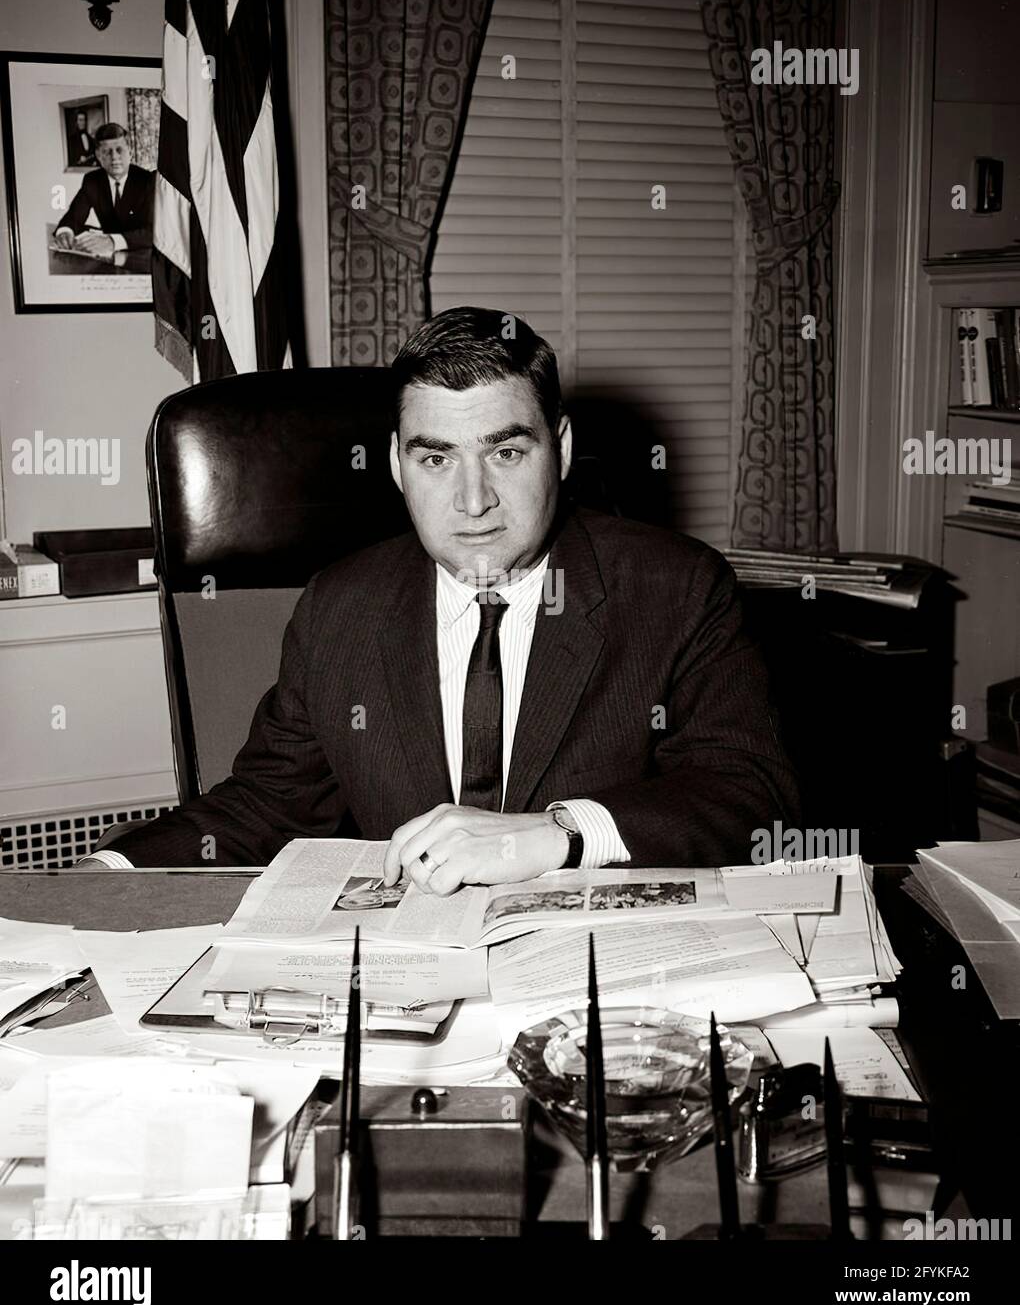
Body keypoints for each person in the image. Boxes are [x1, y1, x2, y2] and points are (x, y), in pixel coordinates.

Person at [80, 307, 799, 891]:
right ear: (397, 464)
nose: (473, 498)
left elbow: (750, 797)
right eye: (436, 458)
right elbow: (267, 802)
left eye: (506, 453)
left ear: (564, 449)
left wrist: (559, 833)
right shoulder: (340, 607)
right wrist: (101, 872)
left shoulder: (676, 588)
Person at [54, 122, 154, 259]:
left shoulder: (147, 181)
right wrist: (65, 231)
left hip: (142, 258)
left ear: (130, 151)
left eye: (119, 150)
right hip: (107, 259)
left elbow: (153, 231)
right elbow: (74, 216)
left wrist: (113, 241)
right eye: (106, 152)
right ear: (98, 156)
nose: (114, 157)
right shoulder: (92, 181)